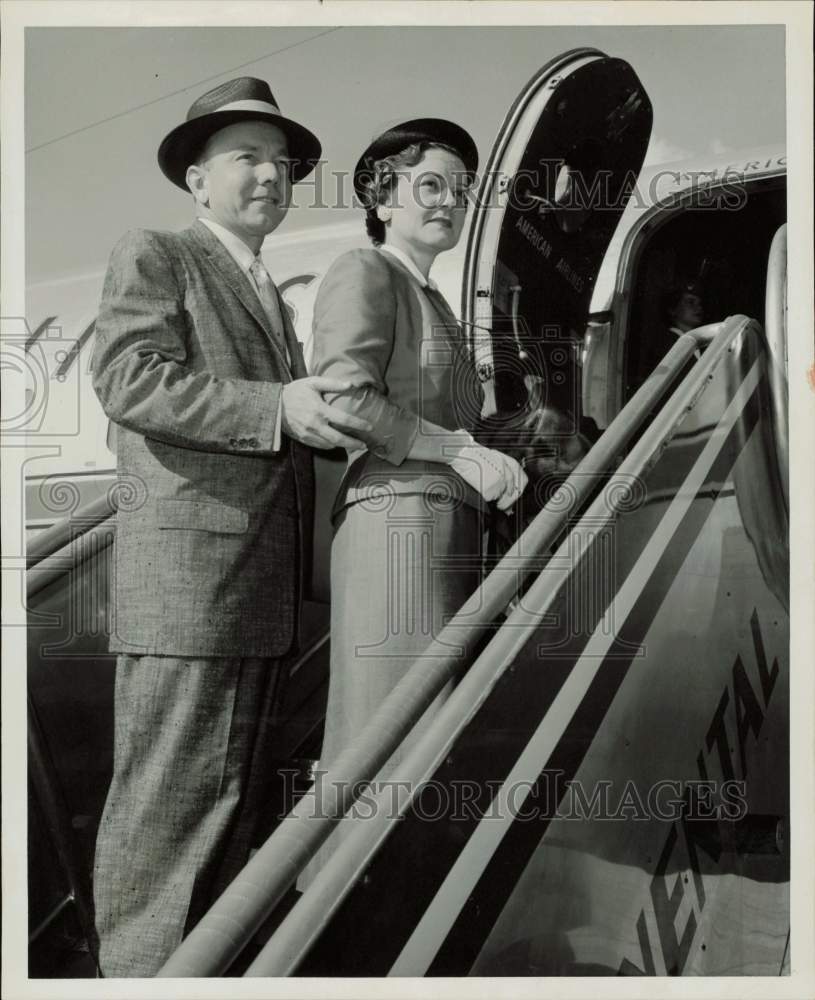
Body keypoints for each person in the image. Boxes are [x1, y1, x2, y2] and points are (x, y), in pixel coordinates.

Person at [90, 76, 370, 977]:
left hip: (252, 595)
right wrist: (278, 404)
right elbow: (130, 380)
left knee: (226, 812)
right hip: (191, 592)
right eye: (245, 157)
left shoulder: (268, 296)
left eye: (281, 164)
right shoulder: (159, 252)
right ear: (196, 182)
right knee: (169, 818)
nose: (269, 177)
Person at [301, 119, 527, 880]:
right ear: (381, 196)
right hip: (396, 520)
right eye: (429, 185)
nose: (448, 203)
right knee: (396, 738)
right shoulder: (366, 270)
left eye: (459, 192)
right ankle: (355, 916)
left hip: (440, 524)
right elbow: (344, 399)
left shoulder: (429, 296)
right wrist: (458, 448)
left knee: (429, 737)